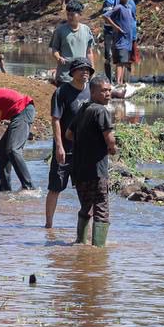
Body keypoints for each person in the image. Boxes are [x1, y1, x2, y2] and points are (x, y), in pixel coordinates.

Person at [67, 74, 117, 247]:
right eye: (104, 91)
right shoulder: (101, 111)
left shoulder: (84, 108)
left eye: (110, 90)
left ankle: (80, 243)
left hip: (79, 169)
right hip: (96, 170)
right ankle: (98, 249)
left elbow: (69, 134)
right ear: (93, 92)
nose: (108, 94)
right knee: (101, 208)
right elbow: (109, 139)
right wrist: (113, 149)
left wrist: (85, 143)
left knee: (86, 207)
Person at [45, 58, 92, 229]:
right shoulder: (62, 92)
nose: (85, 72)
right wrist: (59, 146)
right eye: (81, 69)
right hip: (65, 149)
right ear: (73, 72)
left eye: (88, 69)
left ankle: (84, 228)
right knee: (55, 187)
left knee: (85, 189)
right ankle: (49, 225)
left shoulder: (92, 91)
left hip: (84, 152)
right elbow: (55, 120)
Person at [49, 0, 96, 83]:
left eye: (72, 15)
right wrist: (58, 57)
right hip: (64, 75)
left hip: (82, 75)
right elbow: (54, 49)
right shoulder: (60, 30)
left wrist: (92, 70)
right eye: (68, 14)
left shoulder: (86, 30)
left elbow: (89, 52)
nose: (70, 17)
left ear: (80, 14)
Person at [102, 0, 135, 85]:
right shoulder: (119, 7)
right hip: (121, 40)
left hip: (127, 40)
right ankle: (117, 83)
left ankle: (121, 82)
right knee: (119, 63)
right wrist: (116, 27)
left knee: (124, 62)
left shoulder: (128, 7)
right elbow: (105, 16)